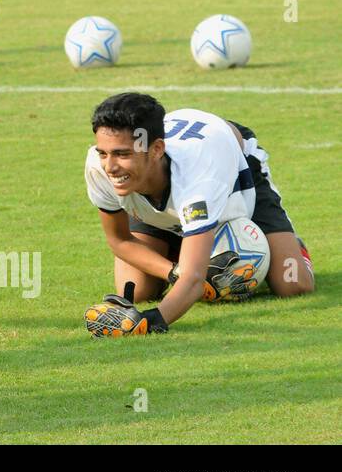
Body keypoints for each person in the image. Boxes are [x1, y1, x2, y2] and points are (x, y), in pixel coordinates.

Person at [81, 92, 314, 338]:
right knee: (138, 290)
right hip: (153, 189)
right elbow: (120, 240)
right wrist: (174, 271)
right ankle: (185, 246)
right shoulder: (98, 168)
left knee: (293, 283)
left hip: (236, 171)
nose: (110, 166)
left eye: (123, 154)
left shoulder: (198, 178)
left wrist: (151, 322)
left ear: (157, 149)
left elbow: (193, 281)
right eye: (104, 153)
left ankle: (291, 247)